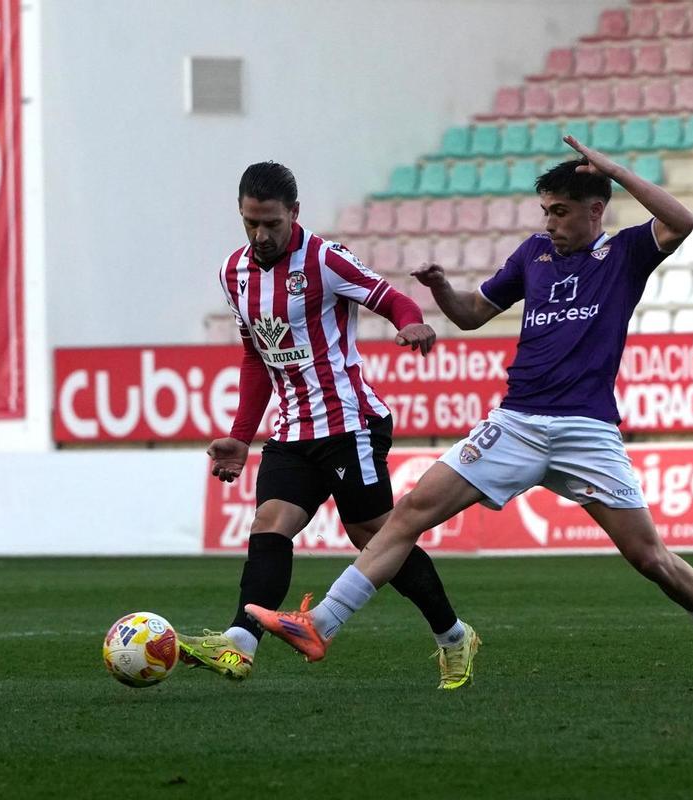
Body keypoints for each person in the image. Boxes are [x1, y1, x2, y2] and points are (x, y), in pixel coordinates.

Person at [247, 138, 693, 684]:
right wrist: (443, 291)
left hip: (586, 430)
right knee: (410, 512)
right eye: (545, 211)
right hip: (516, 423)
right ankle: (320, 623)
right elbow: (474, 314)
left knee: (651, 558)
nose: (550, 222)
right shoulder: (534, 255)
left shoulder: (625, 253)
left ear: (595, 210)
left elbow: (682, 221)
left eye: (561, 211)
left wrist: (614, 169)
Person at [177, 161, 481, 689]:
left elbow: (390, 297)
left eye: (271, 222)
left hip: (349, 424)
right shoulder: (233, 273)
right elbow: (256, 358)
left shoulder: (324, 258)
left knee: (376, 536)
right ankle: (239, 645)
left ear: (294, 213)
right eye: (251, 222)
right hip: (292, 431)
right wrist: (242, 436)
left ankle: (454, 636)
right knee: (269, 525)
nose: (261, 234)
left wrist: (409, 322)